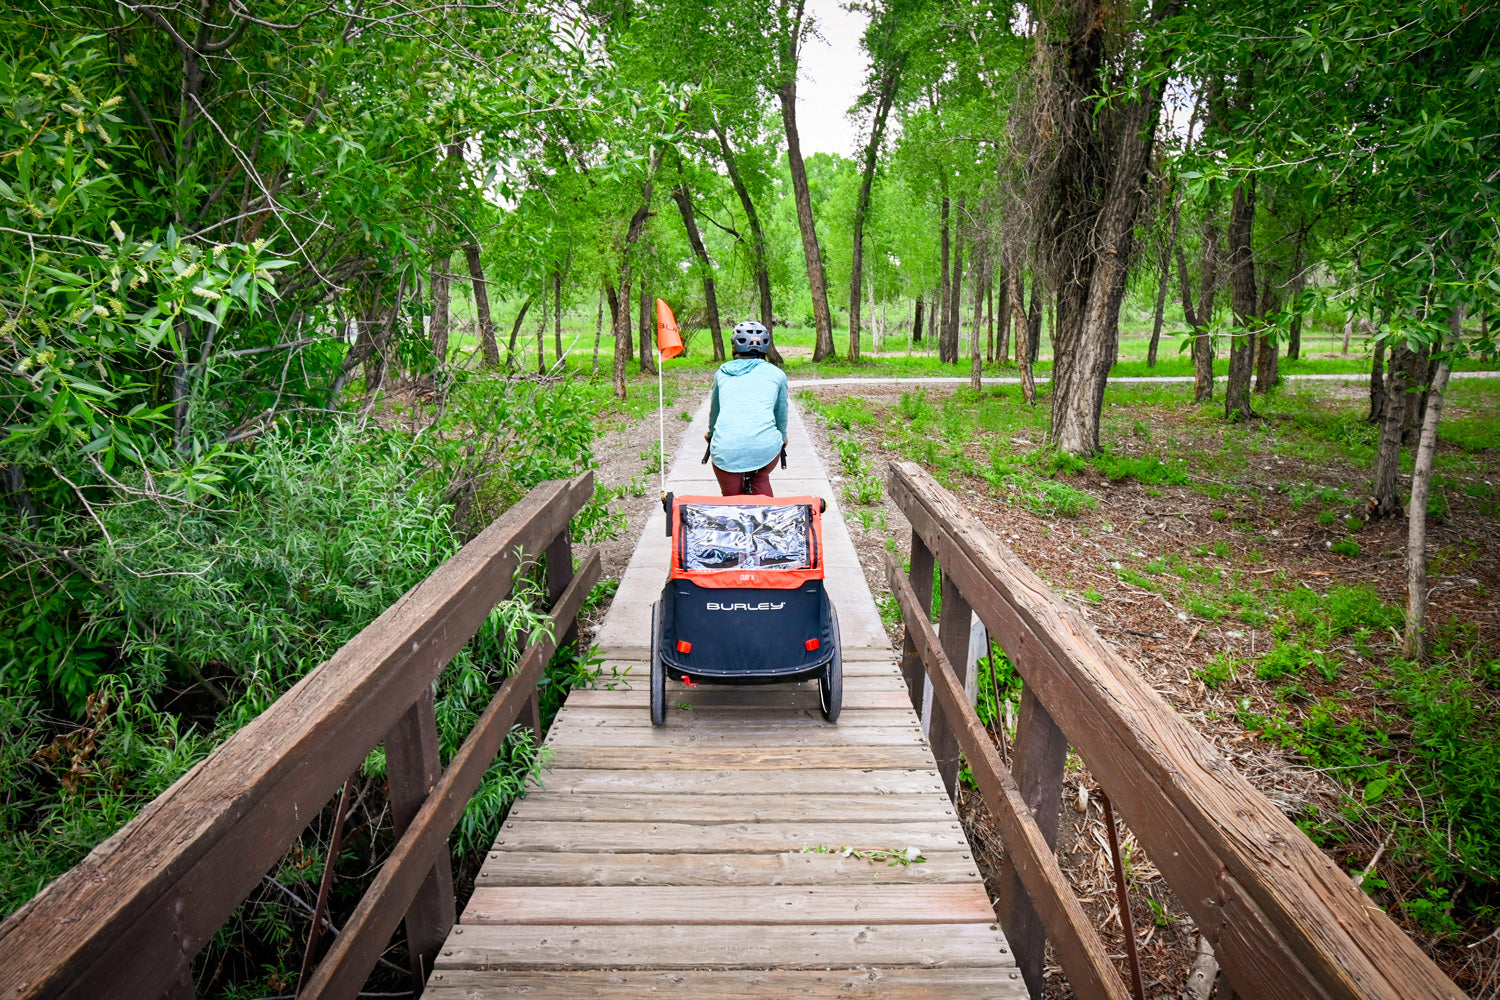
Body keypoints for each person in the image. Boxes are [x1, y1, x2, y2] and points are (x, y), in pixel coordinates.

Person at [706, 321, 788, 496]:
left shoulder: (721, 373)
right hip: (764, 448)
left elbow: (715, 411)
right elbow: (781, 415)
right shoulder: (777, 374)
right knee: (761, 478)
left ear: (734, 346)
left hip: (727, 449)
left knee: (731, 497)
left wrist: (711, 433)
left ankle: (732, 503)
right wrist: (782, 437)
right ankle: (765, 513)